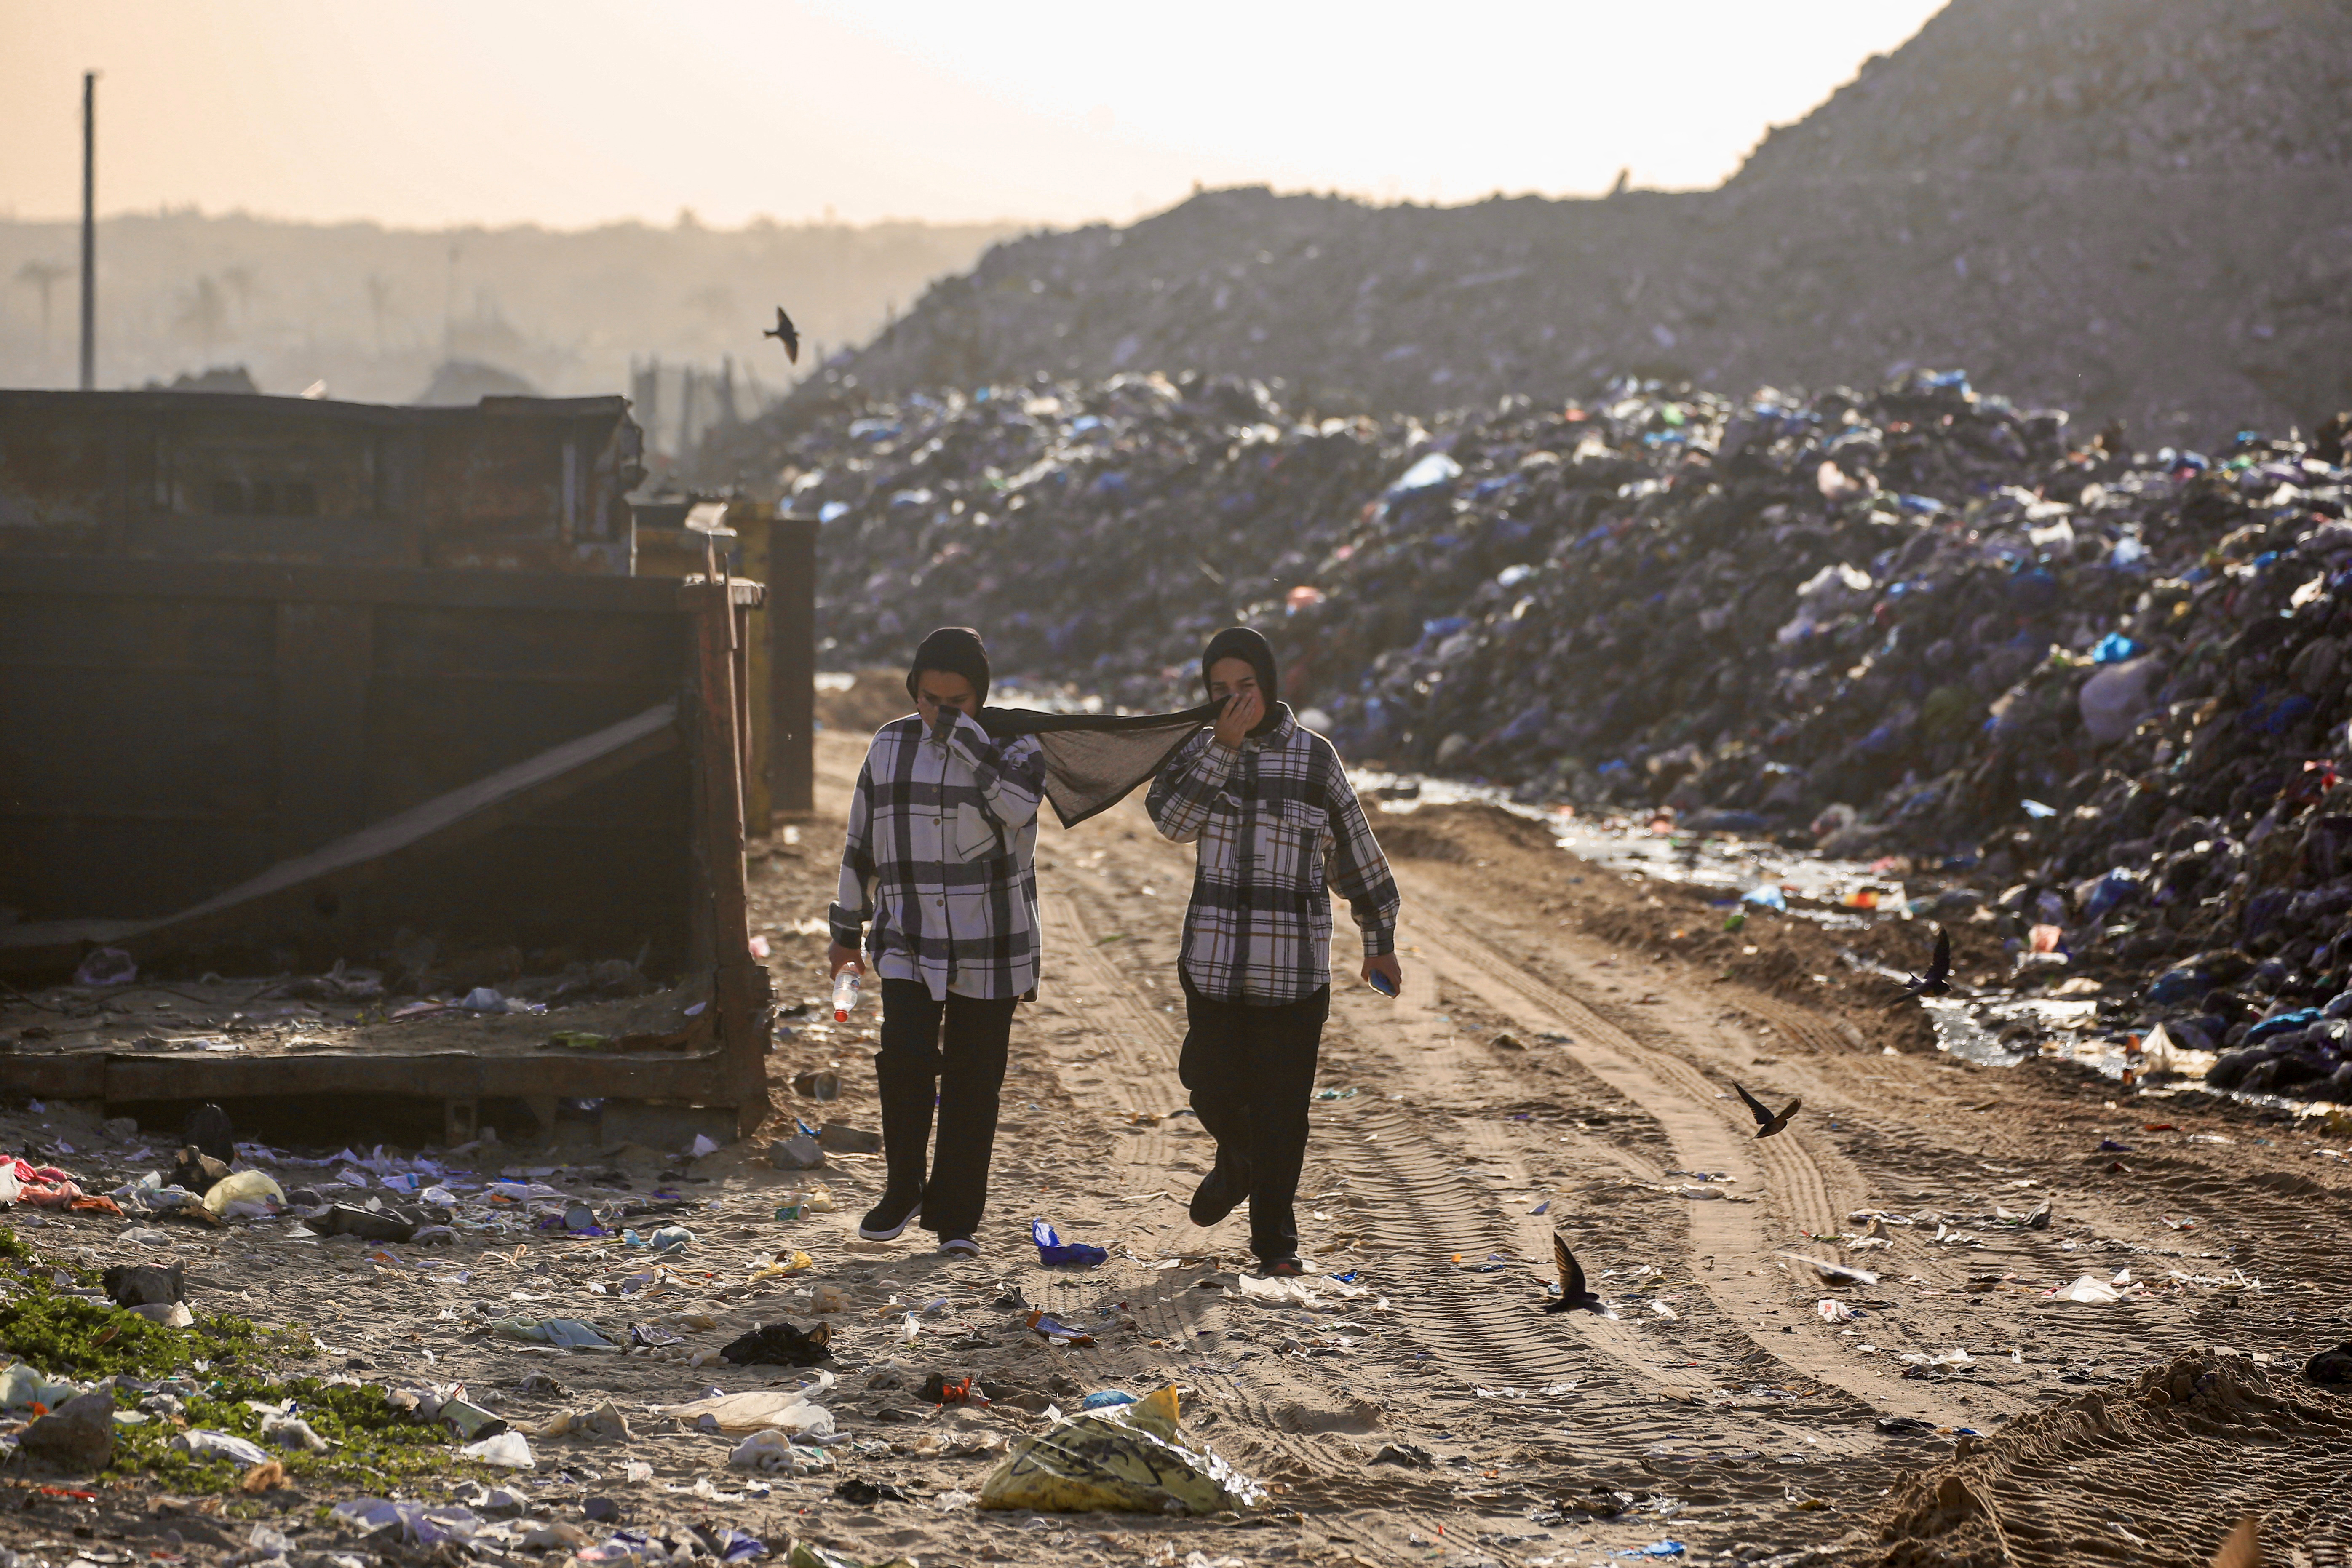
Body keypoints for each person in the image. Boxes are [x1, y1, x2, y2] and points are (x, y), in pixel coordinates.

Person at [1147, 626, 1401, 1275]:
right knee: (1208, 1084)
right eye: (1219, 691)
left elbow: (1356, 853)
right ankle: (1240, 1162)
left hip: (1293, 971)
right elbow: (1171, 823)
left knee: (1284, 1110)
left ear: (1270, 684)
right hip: (1214, 965)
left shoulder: (1316, 759)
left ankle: (1275, 1248)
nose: (1234, 701)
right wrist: (1221, 750)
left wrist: (1379, 941)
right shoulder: (1197, 750)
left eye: (1246, 688)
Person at [828, 627, 1046, 1257]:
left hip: (991, 943)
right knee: (904, 1064)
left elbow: (1017, 809)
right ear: (913, 691)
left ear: (981, 697)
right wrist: (846, 932)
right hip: (908, 937)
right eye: (930, 698)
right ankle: (902, 1189)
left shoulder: (1015, 748)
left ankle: (955, 1217)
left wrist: (968, 743)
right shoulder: (889, 744)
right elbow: (861, 845)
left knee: (976, 1081)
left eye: (959, 700)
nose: (941, 712)